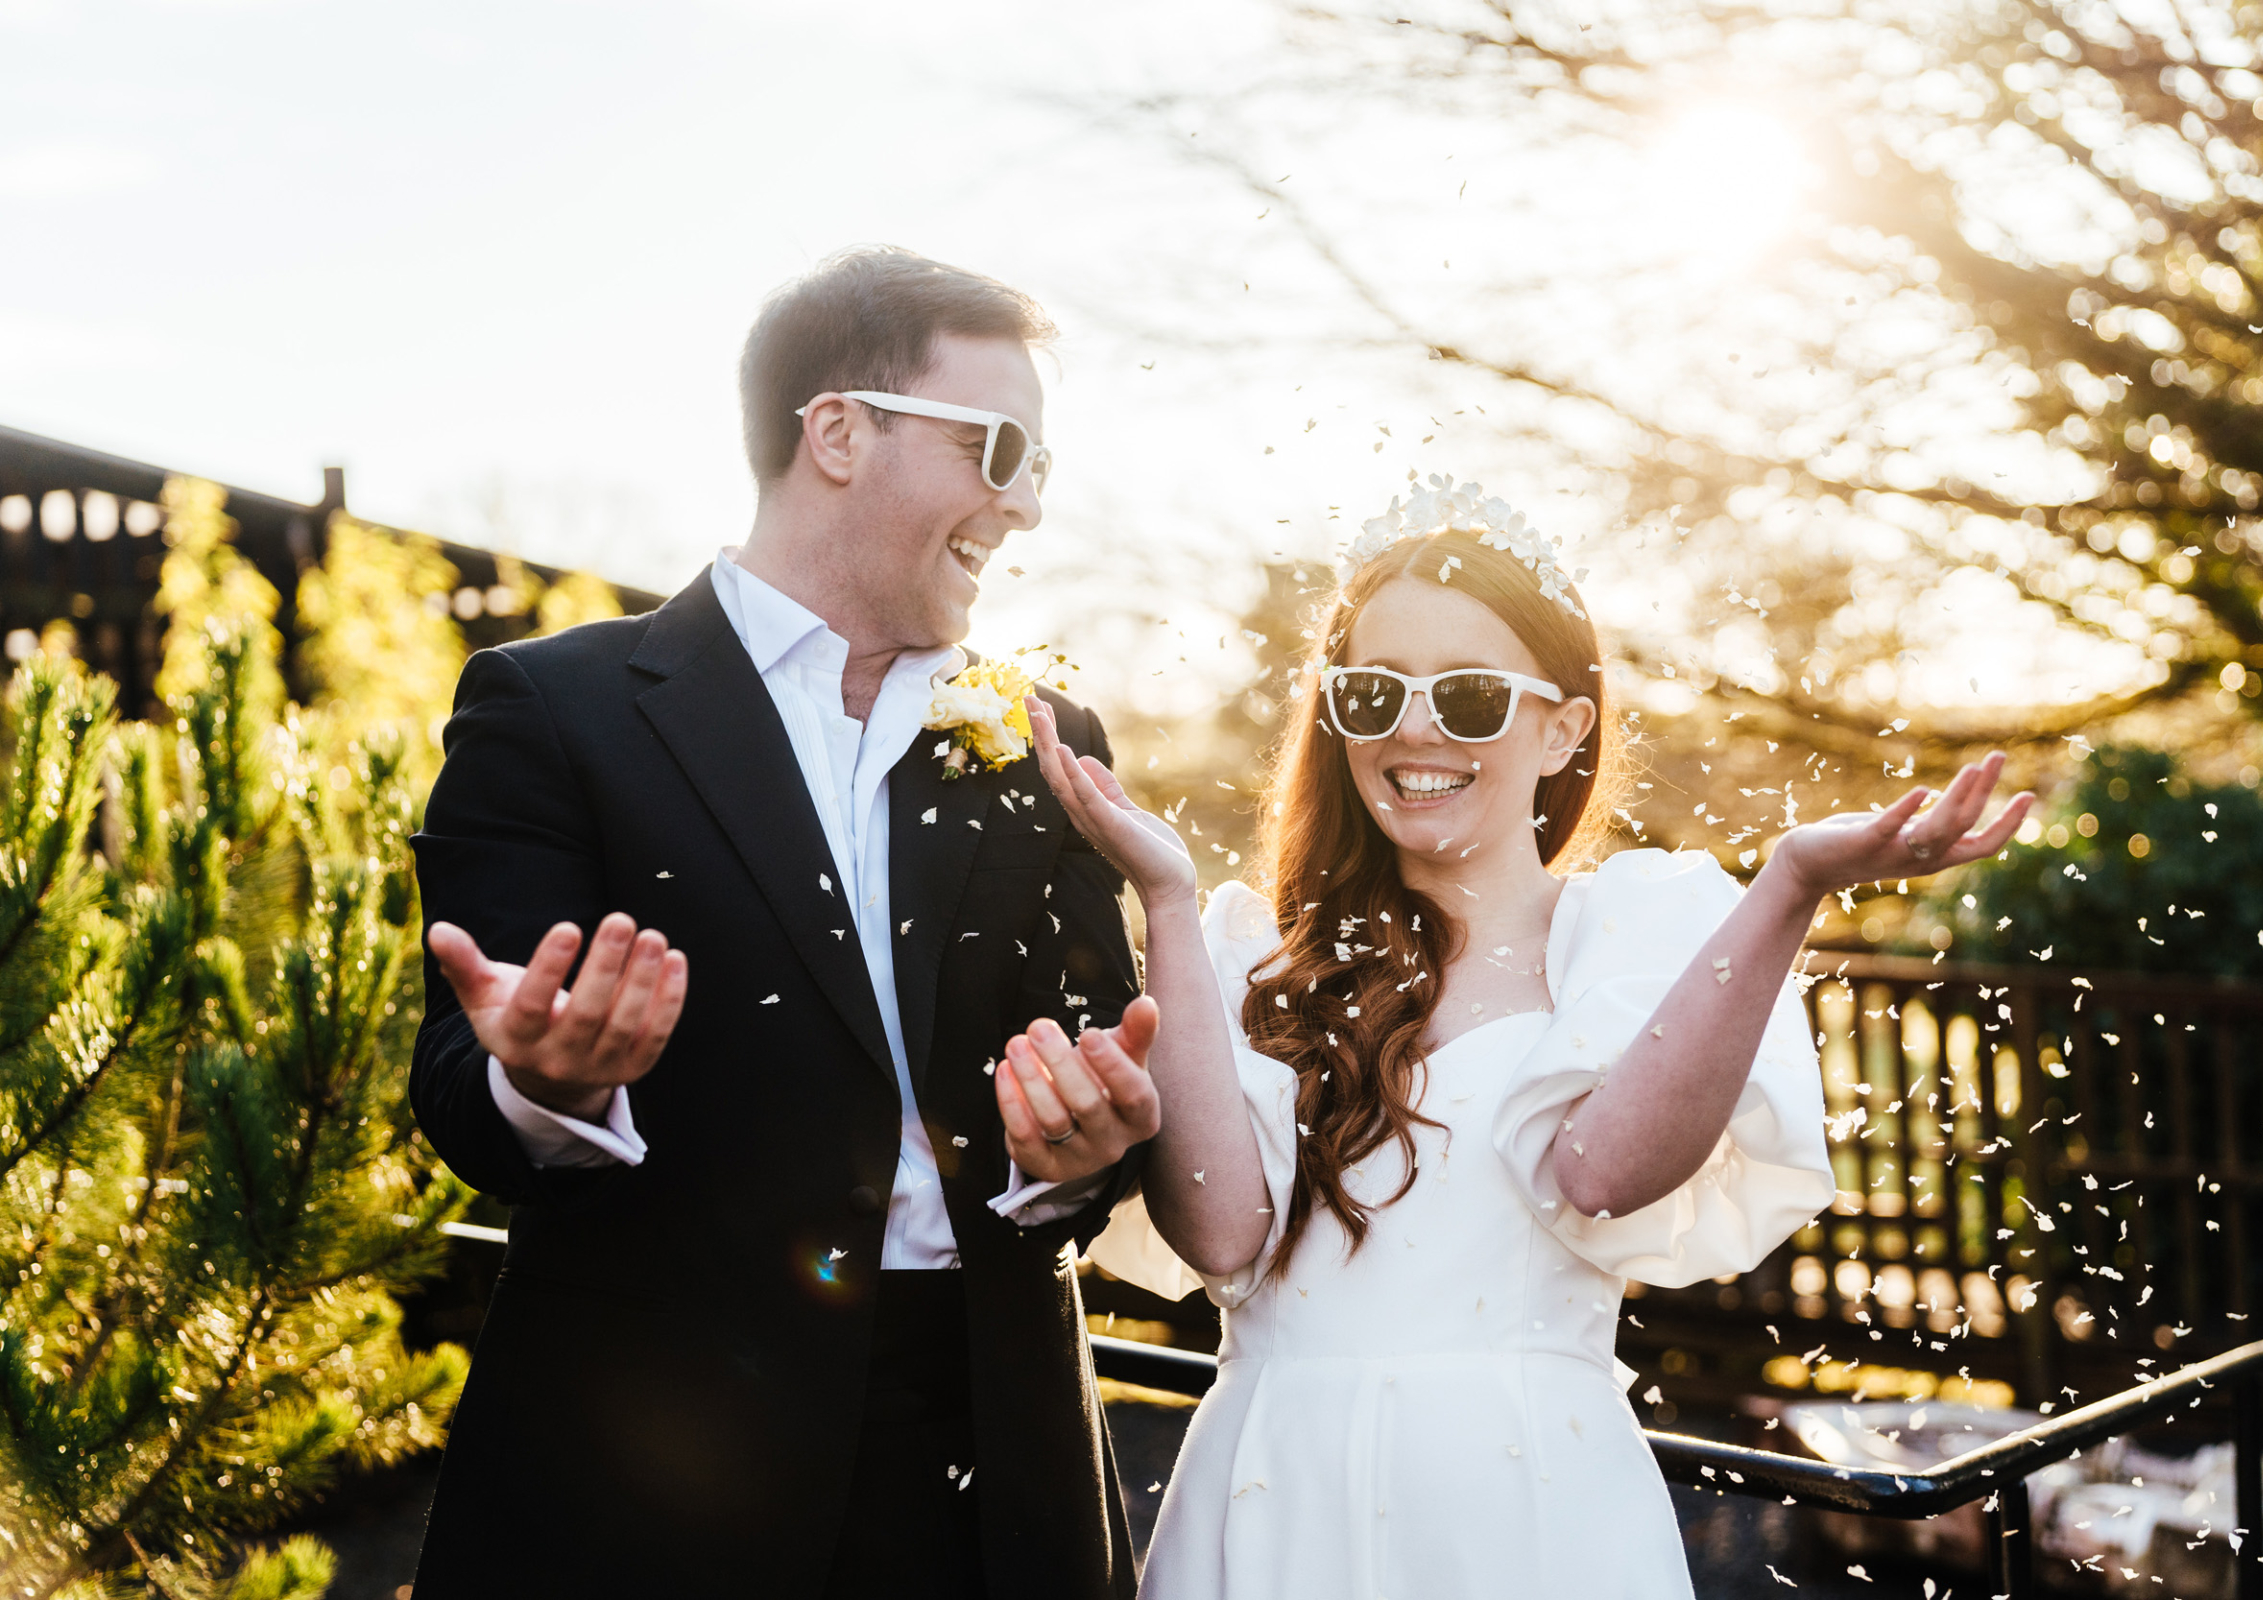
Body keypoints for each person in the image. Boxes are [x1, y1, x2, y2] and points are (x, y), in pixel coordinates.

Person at [1013, 475, 2034, 1599]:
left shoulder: (1626, 939)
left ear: (1563, 728)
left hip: (1526, 1507)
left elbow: (1602, 1173)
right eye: (1372, 692)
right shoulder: (1252, 953)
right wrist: (1163, 892)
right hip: (1269, 1496)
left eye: (1468, 697)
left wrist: (1790, 884)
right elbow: (1217, 1236)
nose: (1414, 730)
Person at [406, 246, 1161, 1599]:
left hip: (992, 1477)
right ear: (837, 433)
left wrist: (1080, 1150)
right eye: (997, 448)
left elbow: (1094, 1075)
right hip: (656, 1476)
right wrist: (545, 1082)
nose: (1024, 507)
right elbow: (464, 1101)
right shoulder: (557, 713)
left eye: (1037, 465)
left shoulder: (1047, 742)